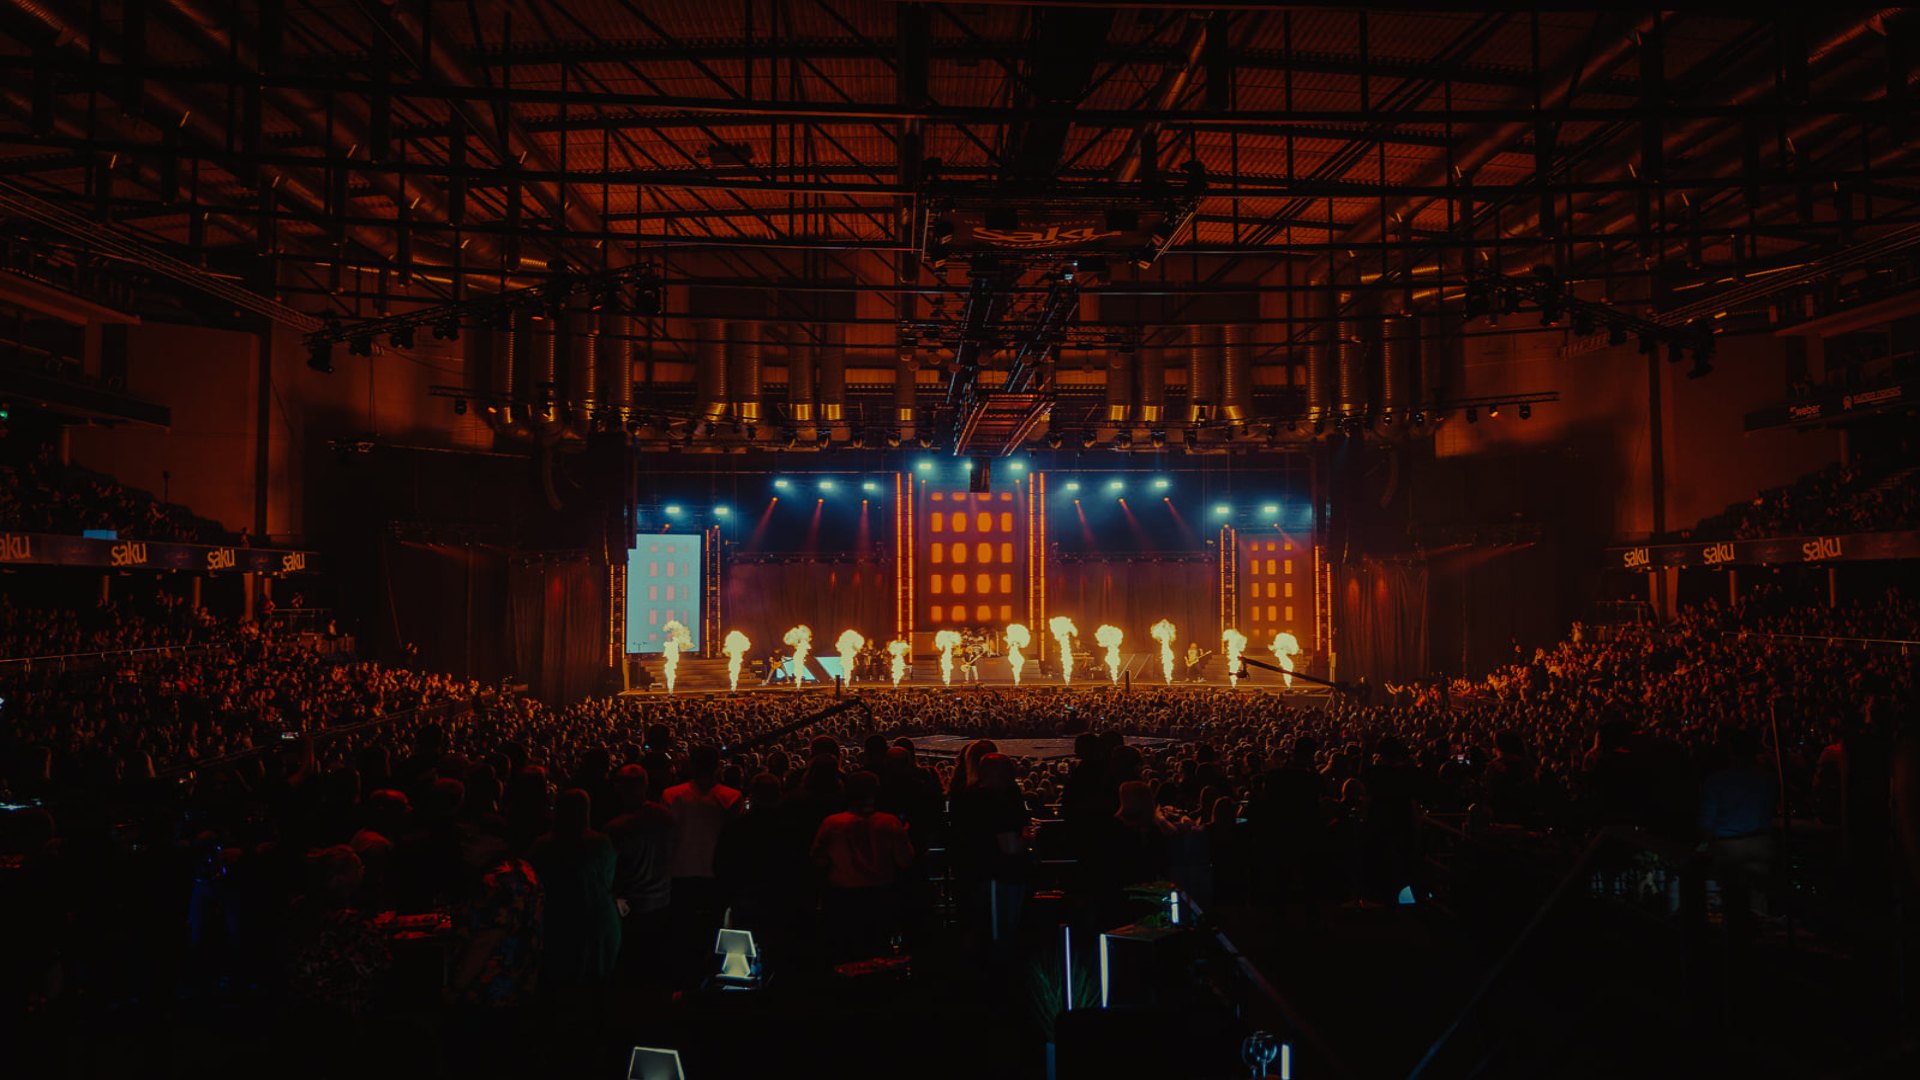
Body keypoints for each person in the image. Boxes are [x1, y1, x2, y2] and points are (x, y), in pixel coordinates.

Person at [810, 770, 914, 962]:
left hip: (843, 898)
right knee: (879, 953)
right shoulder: (889, 823)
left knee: (847, 954)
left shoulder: (832, 823)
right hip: (881, 896)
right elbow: (905, 861)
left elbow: (819, 861)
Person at [662, 746, 742, 975]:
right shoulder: (731, 798)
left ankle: (681, 978)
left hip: (680, 873)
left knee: (682, 932)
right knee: (712, 933)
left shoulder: (671, 795)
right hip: (714, 874)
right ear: (718, 766)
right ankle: (709, 976)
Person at [530, 788, 621, 987]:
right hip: (594, 913)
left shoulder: (543, 845)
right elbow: (608, 879)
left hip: (558, 913)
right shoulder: (600, 843)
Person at [604, 765, 673, 983]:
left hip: (629, 904)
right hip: (661, 899)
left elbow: (609, 870)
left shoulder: (616, 827)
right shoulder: (664, 816)